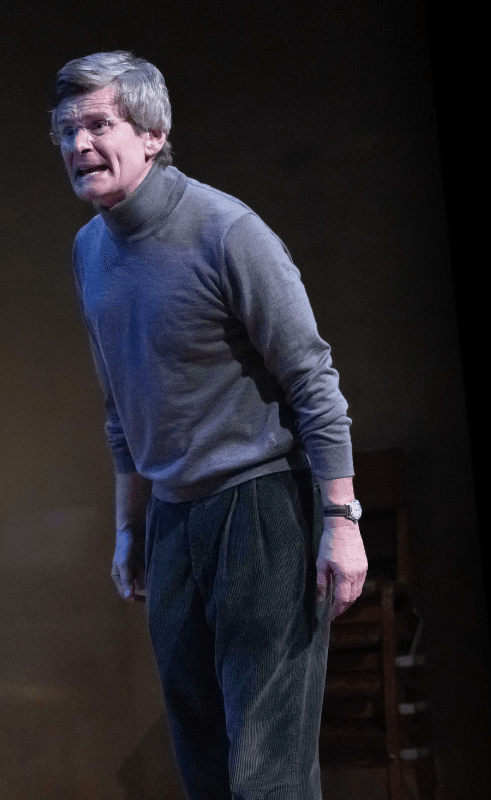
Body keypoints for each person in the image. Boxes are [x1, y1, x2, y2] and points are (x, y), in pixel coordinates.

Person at [52, 52, 367, 798]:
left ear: (153, 133)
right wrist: (130, 528)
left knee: (267, 769)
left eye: (98, 124)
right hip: (173, 521)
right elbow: (120, 411)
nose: (78, 145)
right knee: (204, 766)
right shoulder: (89, 251)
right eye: (65, 131)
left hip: (259, 508)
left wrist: (340, 518)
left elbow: (312, 380)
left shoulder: (226, 231)